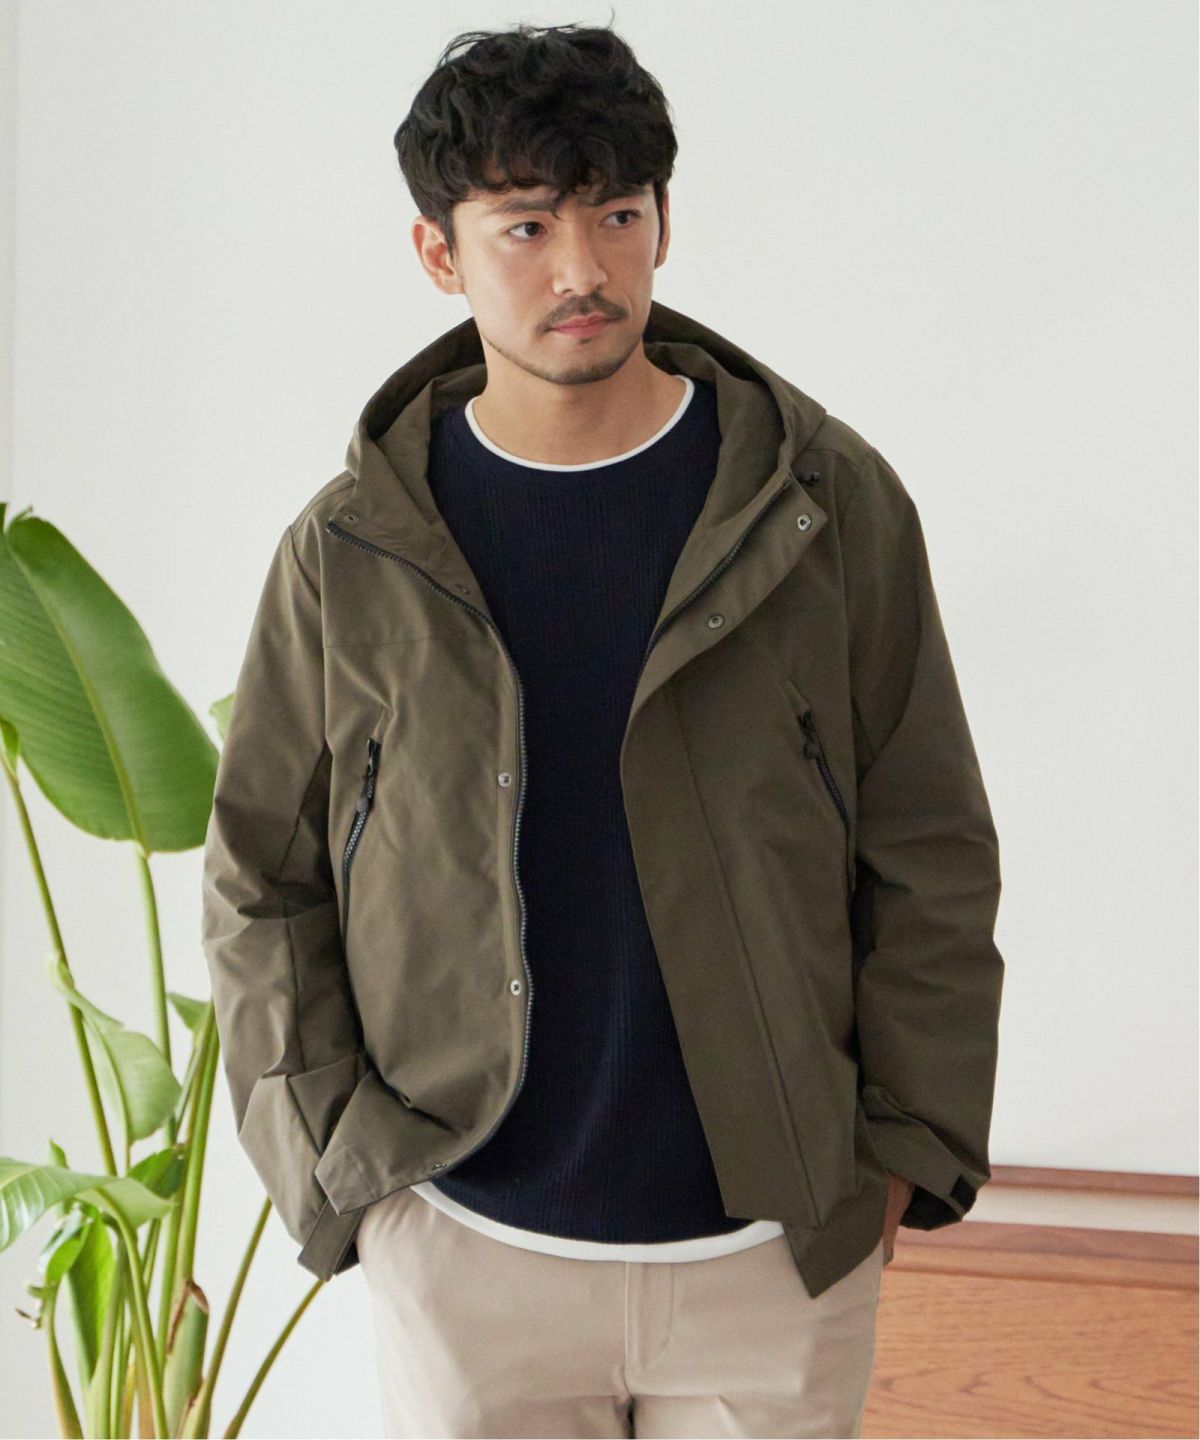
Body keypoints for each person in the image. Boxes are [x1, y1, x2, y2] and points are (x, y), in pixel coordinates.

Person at [201, 17, 1004, 1440]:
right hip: (470, 1250)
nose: (582, 269)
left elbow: (930, 844)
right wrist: (353, 1177)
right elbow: (263, 879)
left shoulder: (824, 505)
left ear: (663, 222)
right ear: (439, 254)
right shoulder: (353, 550)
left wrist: (896, 1157)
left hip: (768, 1252)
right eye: (525, 227)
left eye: (617, 215)